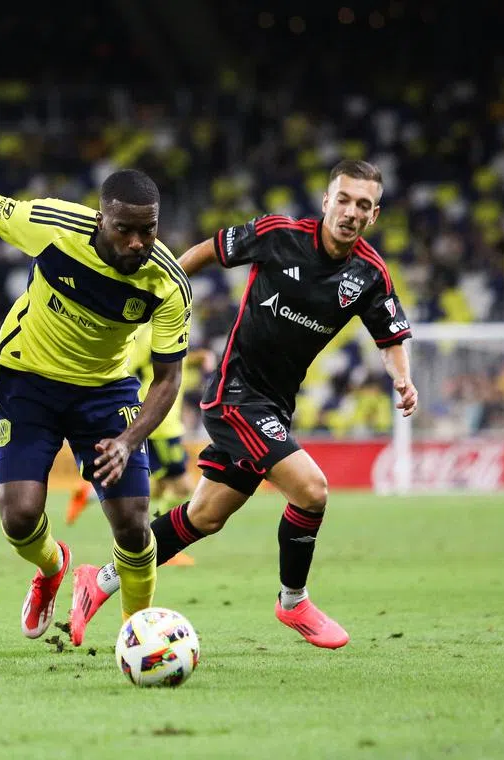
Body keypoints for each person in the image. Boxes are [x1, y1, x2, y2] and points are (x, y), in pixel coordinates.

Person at [69, 159, 418, 648]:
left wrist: (403, 379)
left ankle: (99, 580)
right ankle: (293, 602)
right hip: (234, 393)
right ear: (326, 201)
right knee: (312, 491)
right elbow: (203, 252)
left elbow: (390, 334)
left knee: (204, 516)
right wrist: (155, 293)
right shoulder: (278, 234)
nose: (351, 211)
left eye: (363, 204)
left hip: (275, 406)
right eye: (343, 199)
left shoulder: (369, 274)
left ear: (373, 215)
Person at [0, 170, 192, 637]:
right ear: (101, 218)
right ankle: (52, 568)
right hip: (28, 380)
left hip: (104, 390)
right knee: (20, 516)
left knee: (132, 523)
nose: (136, 242)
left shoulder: (167, 282)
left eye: (148, 230)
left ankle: (137, 631)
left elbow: (168, 379)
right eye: (123, 229)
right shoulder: (55, 225)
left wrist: (128, 441)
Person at [65, 323, 217, 567]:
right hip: (162, 421)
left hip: (158, 418)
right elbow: (153, 363)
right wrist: (202, 357)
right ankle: (164, 543)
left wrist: (198, 359)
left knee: (156, 488)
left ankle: (89, 494)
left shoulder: (144, 330)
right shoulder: (154, 331)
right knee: (181, 486)